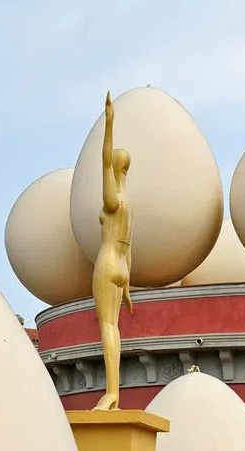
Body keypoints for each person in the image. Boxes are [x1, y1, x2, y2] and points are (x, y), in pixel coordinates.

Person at [92, 92, 133, 411]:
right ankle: (115, 392)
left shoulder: (113, 201)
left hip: (107, 263)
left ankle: (110, 393)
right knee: (114, 327)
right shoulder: (128, 205)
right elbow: (129, 247)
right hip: (122, 267)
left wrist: (109, 123)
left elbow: (104, 161)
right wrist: (128, 286)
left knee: (106, 326)